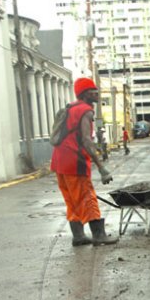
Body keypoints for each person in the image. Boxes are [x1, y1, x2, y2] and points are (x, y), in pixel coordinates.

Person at [51, 77, 118, 246]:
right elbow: (87, 141)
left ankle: (79, 236)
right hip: (75, 161)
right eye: (92, 90)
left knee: (72, 199)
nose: (96, 93)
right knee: (87, 196)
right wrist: (101, 167)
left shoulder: (71, 108)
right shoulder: (85, 111)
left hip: (59, 161)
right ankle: (99, 235)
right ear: (85, 94)